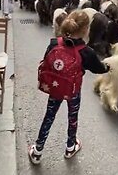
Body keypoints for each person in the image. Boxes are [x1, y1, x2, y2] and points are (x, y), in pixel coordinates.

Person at [28, 10, 110, 164]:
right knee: (73, 117)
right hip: (73, 91)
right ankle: (70, 147)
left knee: (49, 116)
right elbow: (98, 68)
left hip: (55, 88)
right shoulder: (87, 52)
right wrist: (108, 67)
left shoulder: (54, 43)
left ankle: (37, 151)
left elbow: (46, 60)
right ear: (86, 30)